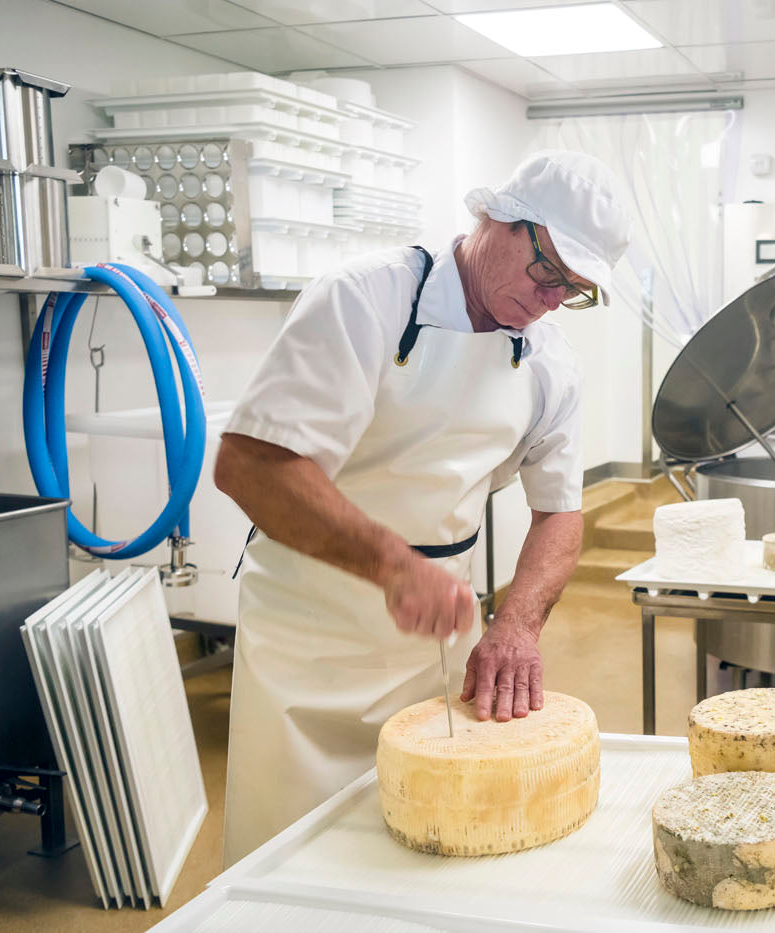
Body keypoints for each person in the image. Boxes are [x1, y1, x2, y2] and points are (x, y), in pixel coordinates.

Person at [213, 150, 631, 866]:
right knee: (287, 858)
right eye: (548, 271)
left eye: (574, 289)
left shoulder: (549, 362)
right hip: (305, 635)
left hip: (429, 643)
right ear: (496, 218)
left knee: (420, 849)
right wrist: (389, 563)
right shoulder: (362, 300)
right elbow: (250, 465)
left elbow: (559, 511)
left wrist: (518, 625)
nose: (550, 299)